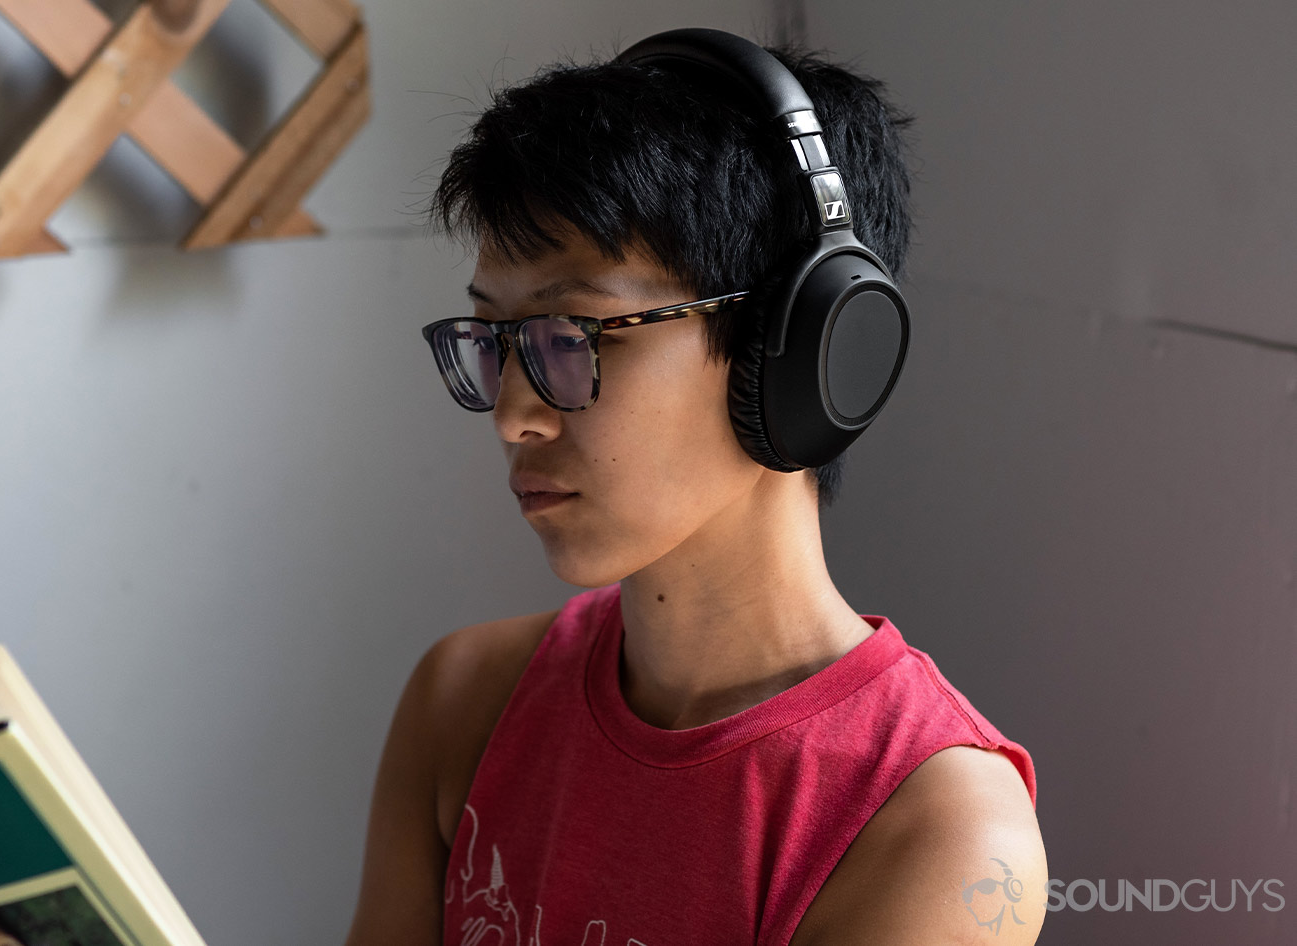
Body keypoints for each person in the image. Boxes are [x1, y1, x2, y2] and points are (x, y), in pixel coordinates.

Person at [344, 28, 1046, 946]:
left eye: (572, 336)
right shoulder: (463, 702)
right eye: (495, 340)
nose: (513, 413)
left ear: (792, 352)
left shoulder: (932, 827)